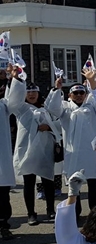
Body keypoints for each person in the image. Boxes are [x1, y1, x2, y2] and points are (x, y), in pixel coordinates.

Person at [9, 76, 62, 225]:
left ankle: (50, 210)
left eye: (34, 92)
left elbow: (58, 123)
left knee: (48, 181)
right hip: (27, 150)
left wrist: (49, 127)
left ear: (39, 94)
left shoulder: (45, 109)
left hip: (44, 149)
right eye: (28, 92)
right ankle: (31, 213)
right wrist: (16, 80)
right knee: (29, 182)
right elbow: (13, 98)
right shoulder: (21, 109)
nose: (31, 95)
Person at [47, 79, 96, 219]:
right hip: (72, 152)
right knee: (74, 184)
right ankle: (75, 212)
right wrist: (56, 89)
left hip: (90, 151)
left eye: (81, 92)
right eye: (75, 93)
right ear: (69, 95)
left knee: (92, 182)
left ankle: (95, 212)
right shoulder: (65, 108)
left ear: (85, 94)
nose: (78, 95)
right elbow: (52, 108)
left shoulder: (91, 107)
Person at [0, 67, 23, 239]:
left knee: (2, 196)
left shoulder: (3, 105)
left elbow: (14, 100)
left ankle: (3, 226)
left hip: (1, 159)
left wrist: (15, 79)